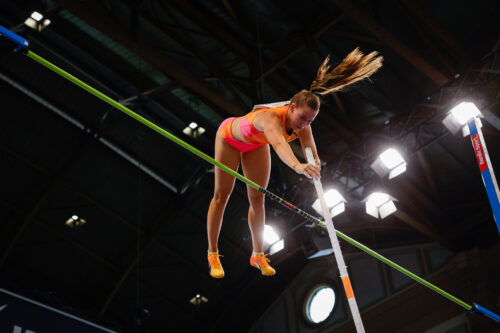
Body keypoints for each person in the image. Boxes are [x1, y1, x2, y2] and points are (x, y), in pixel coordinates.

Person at [207, 48, 383, 278]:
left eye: (309, 120)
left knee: (258, 198)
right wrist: (299, 166)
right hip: (229, 139)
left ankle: (257, 254)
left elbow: (310, 149)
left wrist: (315, 165)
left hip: (255, 146)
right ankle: (212, 253)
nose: (303, 124)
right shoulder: (270, 118)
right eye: (301, 117)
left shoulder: (304, 124)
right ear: (291, 107)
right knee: (222, 195)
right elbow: (280, 145)